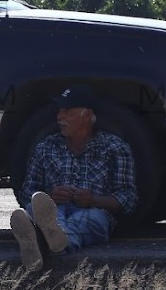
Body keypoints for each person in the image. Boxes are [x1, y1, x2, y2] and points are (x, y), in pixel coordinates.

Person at [10, 85, 138, 270]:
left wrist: (93, 199)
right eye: (59, 111)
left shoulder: (115, 148)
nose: (59, 116)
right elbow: (27, 192)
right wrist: (50, 197)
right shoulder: (46, 147)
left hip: (94, 211)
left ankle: (39, 241)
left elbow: (128, 199)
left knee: (94, 220)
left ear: (86, 116)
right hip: (54, 211)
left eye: (67, 111)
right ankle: (55, 239)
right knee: (37, 209)